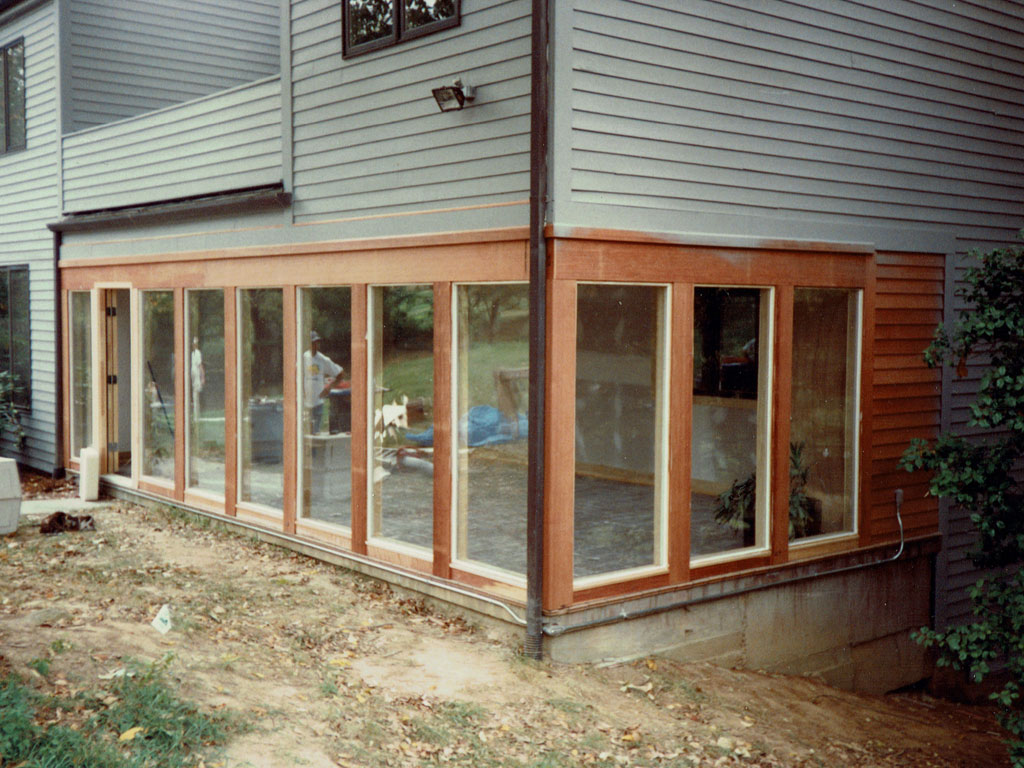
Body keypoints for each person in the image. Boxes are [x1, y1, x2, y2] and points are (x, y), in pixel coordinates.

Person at [304, 331, 345, 433]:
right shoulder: (302, 358)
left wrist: (329, 387)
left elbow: (340, 373)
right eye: (313, 342)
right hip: (304, 405)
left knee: (315, 436)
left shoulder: (322, 359)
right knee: (304, 438)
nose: (315, 345)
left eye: (317, 342)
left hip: (318, 404)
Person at [190, 336, 205, 422]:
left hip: (196, 376)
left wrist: (202, 377)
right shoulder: (192, 354)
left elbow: (200, 366)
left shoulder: (198, 353)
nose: (194, 345)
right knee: (194, 395)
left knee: (196, 395)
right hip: (193, 376)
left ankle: (197, 416)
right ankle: (195, 415)